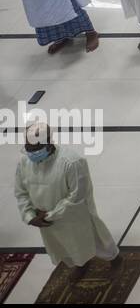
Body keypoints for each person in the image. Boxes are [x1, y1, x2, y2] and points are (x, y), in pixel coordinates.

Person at [14, 120, 119, 281]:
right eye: (29, 148)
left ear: (49, 143)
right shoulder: (24, 162)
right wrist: (29, 216)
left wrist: (49, 215)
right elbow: (21, 192)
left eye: (36, 148)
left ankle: (114, 258)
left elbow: (76, 196)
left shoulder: (71, 162)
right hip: (44, 220)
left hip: (74, 215)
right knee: (66, 246)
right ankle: (81, 264)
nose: (32, 153)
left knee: (94, 239)